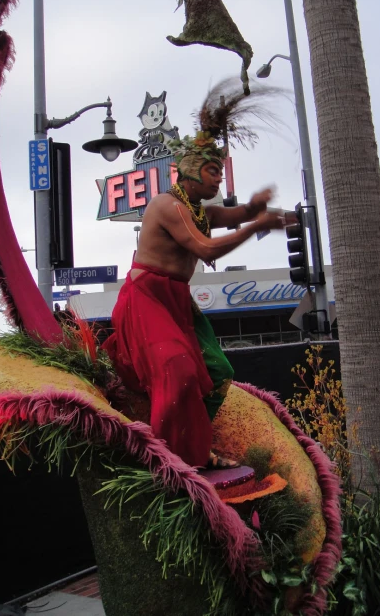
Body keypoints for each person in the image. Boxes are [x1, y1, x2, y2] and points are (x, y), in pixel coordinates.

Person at [103, 80, 288, 469]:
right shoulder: (167, 206)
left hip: (176, 301)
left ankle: (193, 441)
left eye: (220, 171)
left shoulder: (199, 209)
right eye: (212, 171)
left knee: (218, 370)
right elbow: (204, 249)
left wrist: (255, 208)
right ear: (191, 171)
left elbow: (235, 215)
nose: (218, 179)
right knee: (177, 368)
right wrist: (255, 226)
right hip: (147, 298)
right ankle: (167, 457)